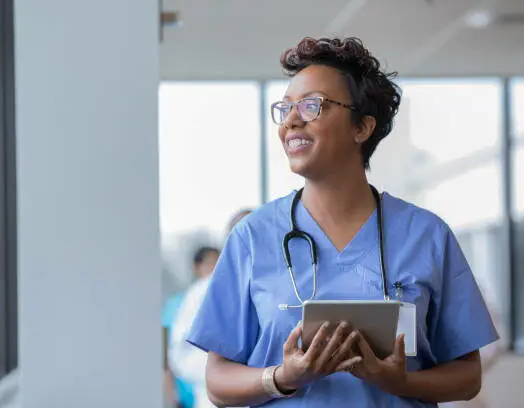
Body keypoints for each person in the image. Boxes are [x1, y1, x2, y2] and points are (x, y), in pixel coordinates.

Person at [185, 37, 499, 408]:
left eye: (311, 105)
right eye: (285, 108)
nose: (291, 120)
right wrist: (282, 378)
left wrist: (402, 382)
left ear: (362, 127)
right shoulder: (252, 237)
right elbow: (218, 382)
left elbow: (467, 377)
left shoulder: (427, 236)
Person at [169, 246, 221, 408]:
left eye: (218, 261)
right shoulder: (196, 293)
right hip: (207, 391)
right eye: (210, 263)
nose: (215, 267)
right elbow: (173, 354)